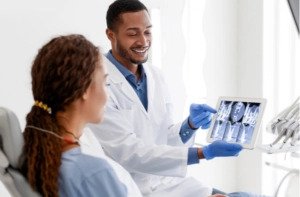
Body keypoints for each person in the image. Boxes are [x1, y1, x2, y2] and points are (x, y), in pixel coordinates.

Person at [88, 0, 246, 196]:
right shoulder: (97, 83)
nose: (143, 41)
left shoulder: (155, 76)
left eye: (147, 32)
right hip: (131, 188)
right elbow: (128, 152)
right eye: (132, 33)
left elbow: (164, 138)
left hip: (170, 185)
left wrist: (189, 126)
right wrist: (204, 153)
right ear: (111, 35)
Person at [20, 34, 142, 197]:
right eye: (105, 83)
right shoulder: (93, 172)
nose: (107, 95)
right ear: (85, 89)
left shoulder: (38, 155)